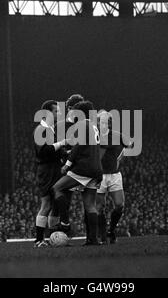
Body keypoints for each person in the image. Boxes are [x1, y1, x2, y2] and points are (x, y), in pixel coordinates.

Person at [53, 100, 103, 246]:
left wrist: (67, 164)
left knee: (57, 188)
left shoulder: (81, 124)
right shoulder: (94, 126)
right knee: (90, 205)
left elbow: (79, 146)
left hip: (83, 168)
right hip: (97, 169)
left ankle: (65, 222)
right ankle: (92, 239)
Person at [33, 100, 68, 247]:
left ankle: (53, 238)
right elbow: (44, 151)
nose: (58, 114)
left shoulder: (51, 129)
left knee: (56, 205)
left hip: (55, 169)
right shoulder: (40, 129)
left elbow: (59, 152)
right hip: (47, 171)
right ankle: (39, 239)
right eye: (56, 111)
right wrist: (62, 143)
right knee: (46, 204)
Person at [96, 110, 133, 244]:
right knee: (99, 207)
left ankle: (111, 230)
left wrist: (120, 156)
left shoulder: (117, 135)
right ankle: (103, 235)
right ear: (98, 122)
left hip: (114, 175)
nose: (104, 123)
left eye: (106, 121)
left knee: (119, 205)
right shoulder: (94, 136)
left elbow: (130, 145)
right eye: (101, 121)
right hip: (99, 176)